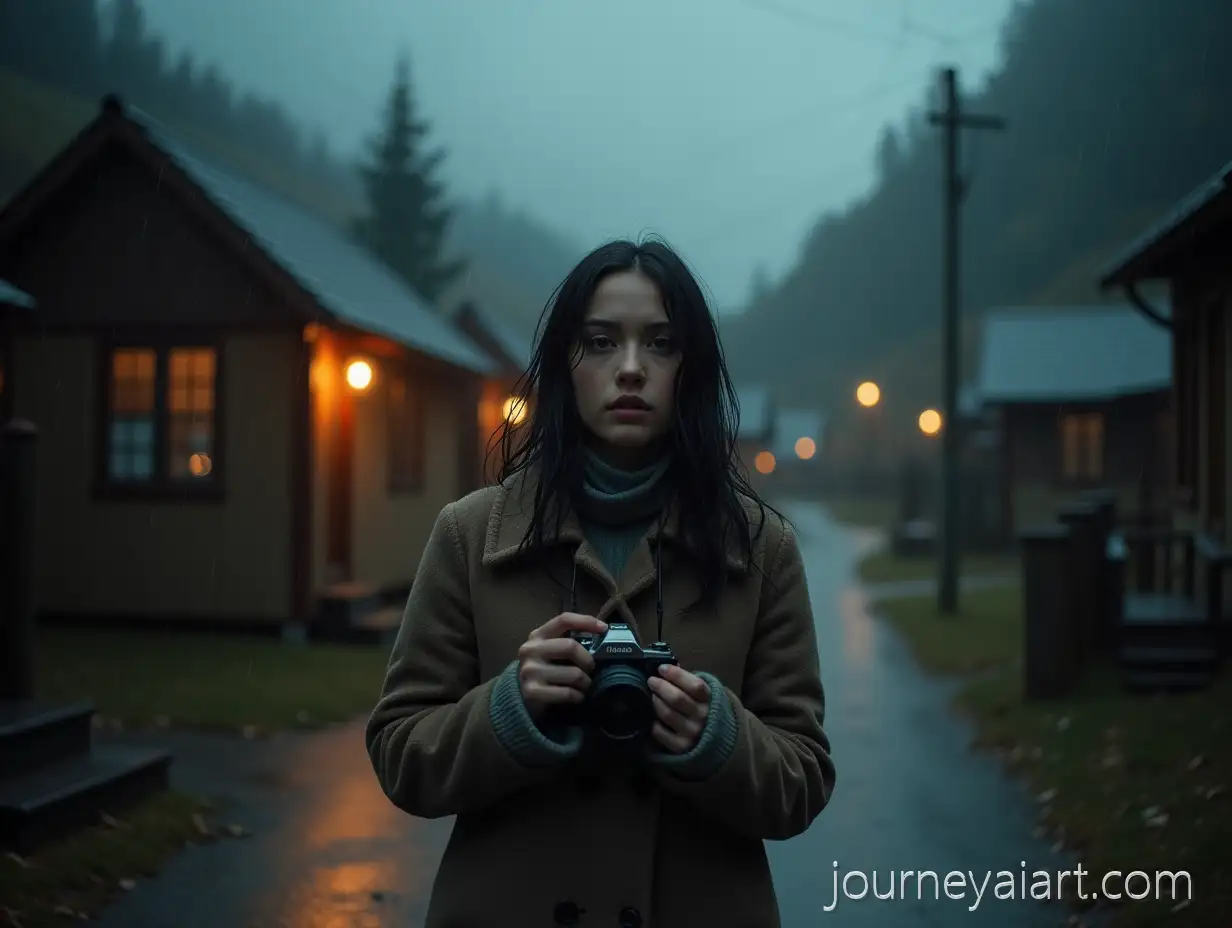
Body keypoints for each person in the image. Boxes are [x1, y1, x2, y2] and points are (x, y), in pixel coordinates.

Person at [366, 238, 835, 927]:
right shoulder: (471, 535)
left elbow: (803, 780)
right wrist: (509, 711)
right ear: (567, 360)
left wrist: (720, 738)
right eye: (601, 341)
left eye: (662, 343)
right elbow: (400, 753)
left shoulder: (762, 550)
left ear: (691, 369)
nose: (631, 369)